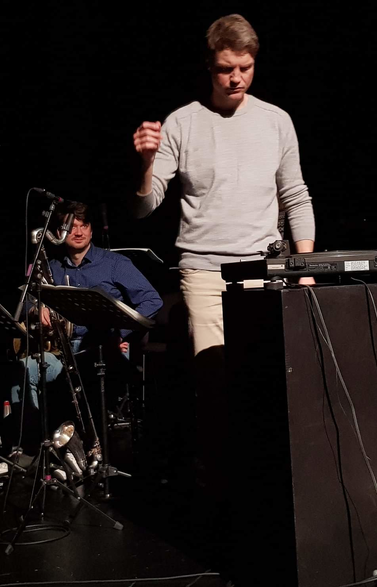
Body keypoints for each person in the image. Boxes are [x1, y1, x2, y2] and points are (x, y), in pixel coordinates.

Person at [131, 14, 315, 489]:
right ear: (209, 67)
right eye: (225, 69)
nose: (236, 78)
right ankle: (220, 480)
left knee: (266, 376)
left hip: (264, 268)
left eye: (245, 68)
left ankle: (268, 475)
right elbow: (145, 206)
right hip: (205, 270)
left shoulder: (276, 120)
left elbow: (295, 195)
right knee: (214, 378)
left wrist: (304, 265)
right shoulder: (182, 122)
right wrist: (146, 163)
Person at [11, 201, 163, 419]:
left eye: (84, 225)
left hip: (104, 350)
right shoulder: (51, 267)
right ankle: (34, 434)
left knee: (77, 386)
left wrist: (122, 333)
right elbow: (26, 301)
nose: (79, 232)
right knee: (23, 370)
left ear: (92, 230)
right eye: (71, 227)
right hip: (61, 353)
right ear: (59, 233)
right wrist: (36, 308)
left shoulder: (114, 263)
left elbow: (152, 300)